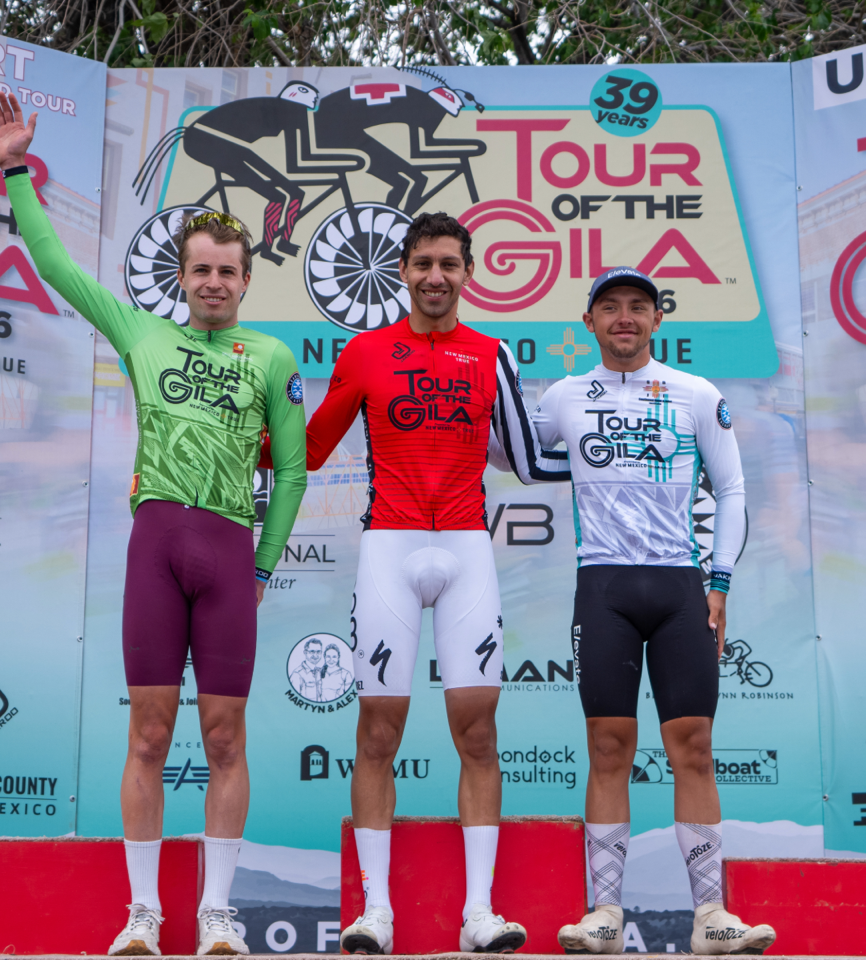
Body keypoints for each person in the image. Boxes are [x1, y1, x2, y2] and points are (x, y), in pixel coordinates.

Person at [0, 93, 307, 958]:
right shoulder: (142, 333)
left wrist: (265, 564)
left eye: (227, 272)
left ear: (246, 279)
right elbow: (57, 266)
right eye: (199, 270)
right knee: (151, 732)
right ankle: (143, 915)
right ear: (181, 276)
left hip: (229, 550)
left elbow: (294, 470)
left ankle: (217, 916)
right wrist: (16, 168)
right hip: (157, 545)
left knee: (225, 735)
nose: (213, 283)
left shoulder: (273, 357)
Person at [267, 211, 567, 954]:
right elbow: (306, 448)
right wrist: (235, 430)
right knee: (377, 733)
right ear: (402, 271)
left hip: (467, 545)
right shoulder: (366, 352)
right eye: (424, 263)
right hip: (389, 547)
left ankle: (479, 915)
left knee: (478, 732)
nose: (437, 276)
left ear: (468, 273)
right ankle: (376, 913)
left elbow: (522, 456)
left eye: (450, 264)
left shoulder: (491, 354)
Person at [533, 268, 776, 955]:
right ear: (589, 323)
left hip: (679, 587)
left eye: (637, 307)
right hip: (602, 585)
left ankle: (712, 919)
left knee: (693, 748)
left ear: (657, 320)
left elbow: (730, 489)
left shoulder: (697, 394)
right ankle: (604, 915)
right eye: (610, 307)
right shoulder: (563, 396)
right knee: (609, 747)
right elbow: (510, 455)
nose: (624, 318)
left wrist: (720, 581)